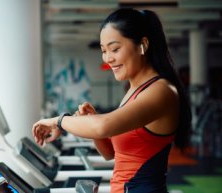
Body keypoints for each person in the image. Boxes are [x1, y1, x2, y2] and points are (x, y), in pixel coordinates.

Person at [32, 8, 192, 193]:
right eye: (104, 51)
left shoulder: (161, 91)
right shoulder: (134, 91)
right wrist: (91, 119)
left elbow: (103, 126)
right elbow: (111, 153)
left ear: (143, 45)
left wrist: (58, 122)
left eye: (115, 49)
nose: (108, 59)